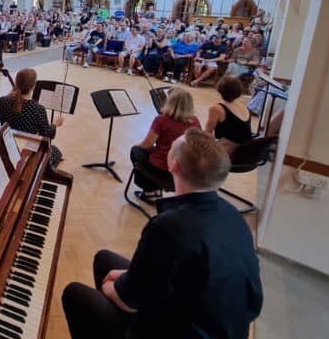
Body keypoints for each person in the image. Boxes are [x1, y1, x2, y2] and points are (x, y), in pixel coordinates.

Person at [63, 128, 263, 339]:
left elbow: (130, 302)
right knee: (104, 259)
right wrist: (125, 281)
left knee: (76, 294)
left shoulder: (168, 227)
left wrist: (111, 287)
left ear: (174, 164)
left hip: (183, 329)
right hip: (217, 323)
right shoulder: (233, 215)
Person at [129, 88, 200, 201]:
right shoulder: (195, 121)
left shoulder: (161, 120)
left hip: (163, 169)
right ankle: (156, 190)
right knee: (151, 152)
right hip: (182, 170)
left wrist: (137, 144)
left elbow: (147, 144)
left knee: (135, 151)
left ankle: (149, 191)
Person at [0, 68, 64, 168]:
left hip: (7, 145)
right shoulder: (38, 109)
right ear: (34, 86)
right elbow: (47, 135)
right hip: (27, 149)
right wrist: (55, 124)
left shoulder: (4, 101)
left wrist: (7, 96)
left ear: (17, 83)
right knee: (56, 151)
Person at [205, 75, 253, 151]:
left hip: (232, 151)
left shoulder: (216, 108)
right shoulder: (245, 107)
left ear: (219, 90)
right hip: (248, 149)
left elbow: (207, 133)